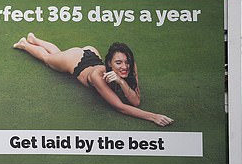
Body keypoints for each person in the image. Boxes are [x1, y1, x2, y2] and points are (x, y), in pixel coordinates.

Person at [13, 33, 173, 126]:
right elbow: (120, 107)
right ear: (109, 63)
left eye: (126, 62)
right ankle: (26, 44)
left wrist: (122, 81)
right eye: (118, 63)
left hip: (91, 53)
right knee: (49, 59)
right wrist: (153, 116)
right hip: (74, 61)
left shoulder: (129, 67)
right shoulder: (98, 77)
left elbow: (136, 101)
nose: (124, 67)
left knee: (57, 54)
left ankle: (34, 40)